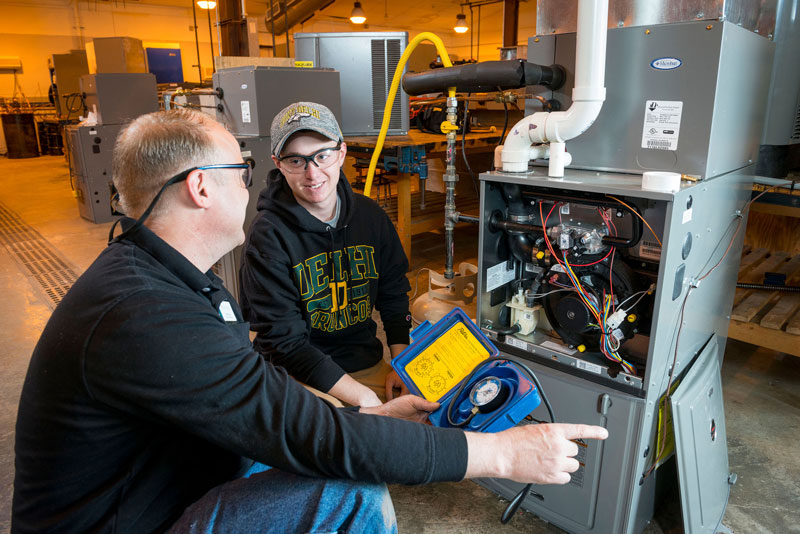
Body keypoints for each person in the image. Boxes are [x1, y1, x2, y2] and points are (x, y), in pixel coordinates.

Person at [12, 109, 608, 534]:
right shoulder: (143, 314)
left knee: (339, 449)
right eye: (243, 171)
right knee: (350, 488)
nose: (254, 185)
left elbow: (265, 402)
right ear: (200, 188)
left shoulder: (165, 275)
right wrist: (500, 455)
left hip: (166, 476)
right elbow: (309, 428)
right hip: (130, 518)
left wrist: (372, 413)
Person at [239, 101, 411, 407]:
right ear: (278, 163)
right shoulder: (268, 236)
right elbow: (284, 343)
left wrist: (402, 365)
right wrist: (364, 401)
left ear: (342, 153)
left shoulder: (371, 217)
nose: (312, 172)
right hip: (295, 374)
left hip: (363, 362)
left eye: (322, 155)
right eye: (296, 160)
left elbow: (393, 293)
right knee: (347, 443)